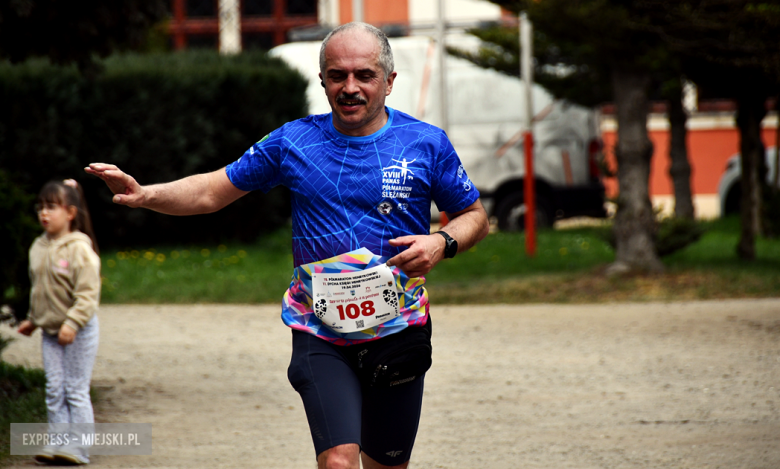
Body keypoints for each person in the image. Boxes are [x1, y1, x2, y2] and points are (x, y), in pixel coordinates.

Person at [86, 22, 489, 469]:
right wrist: (146, 195)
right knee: (338, 461)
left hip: (398, 329)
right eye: (337, 75)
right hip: (319, 330)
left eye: (364, 75)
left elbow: (476, 217)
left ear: (389, 81)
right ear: (322, 80)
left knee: (386, 465)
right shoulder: (292, 142)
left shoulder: (426, 143)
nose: (349, 87)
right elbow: (210, 191)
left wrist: (441, 241)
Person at [17, 179, 101, 466]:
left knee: (74, 389)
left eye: (52, 207)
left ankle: (78, 448)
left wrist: (73, 323)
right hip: (51, 332)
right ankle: (58, 441)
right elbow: (39, 290)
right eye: (41, 207)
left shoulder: (80, 249)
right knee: (54, 388)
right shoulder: (37, 247)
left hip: (79, 331)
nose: (44, 213)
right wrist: (32, 320)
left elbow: (88, 295)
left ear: (70, 213)